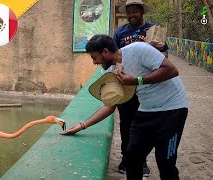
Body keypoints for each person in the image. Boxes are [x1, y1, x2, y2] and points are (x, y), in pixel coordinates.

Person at [61, 35, 188, 180]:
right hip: (146, 110)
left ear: (106, 52)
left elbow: (172, 70)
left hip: (172, 109)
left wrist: (137, 80)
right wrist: (81, 126)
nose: (94, 62)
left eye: (94, 57)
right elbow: (110, 106)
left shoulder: (138, 50)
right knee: (132, 157)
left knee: (165, 161)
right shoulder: (110, 71)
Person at [113, 0, 169, 176]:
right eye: (129, 12)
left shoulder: (153, 30)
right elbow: (115, 56)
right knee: (126, 124)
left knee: (144, 124)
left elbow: (165, 56)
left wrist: (156, 52)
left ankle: (142, 161)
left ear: (142, 11)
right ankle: (125, 158)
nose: (132, 15)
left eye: (135, 11)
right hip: (126, 86)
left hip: (147, 86)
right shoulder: (120, 32)